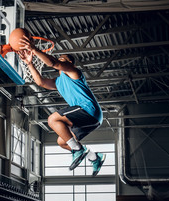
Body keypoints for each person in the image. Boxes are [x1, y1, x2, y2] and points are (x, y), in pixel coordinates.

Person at [18, 35, 105, 176]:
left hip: (89, 110)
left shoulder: (74, 72)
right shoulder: (59, 82)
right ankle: (95, 157)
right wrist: (29, 63)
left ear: (70, 63)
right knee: (62, 141)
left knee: (53, 119)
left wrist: (34, 49)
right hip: (91, 119)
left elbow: (54, 63)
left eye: (62, 59)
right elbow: (40, 82)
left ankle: (78, 150)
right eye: (60, 59)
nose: (60, 60)